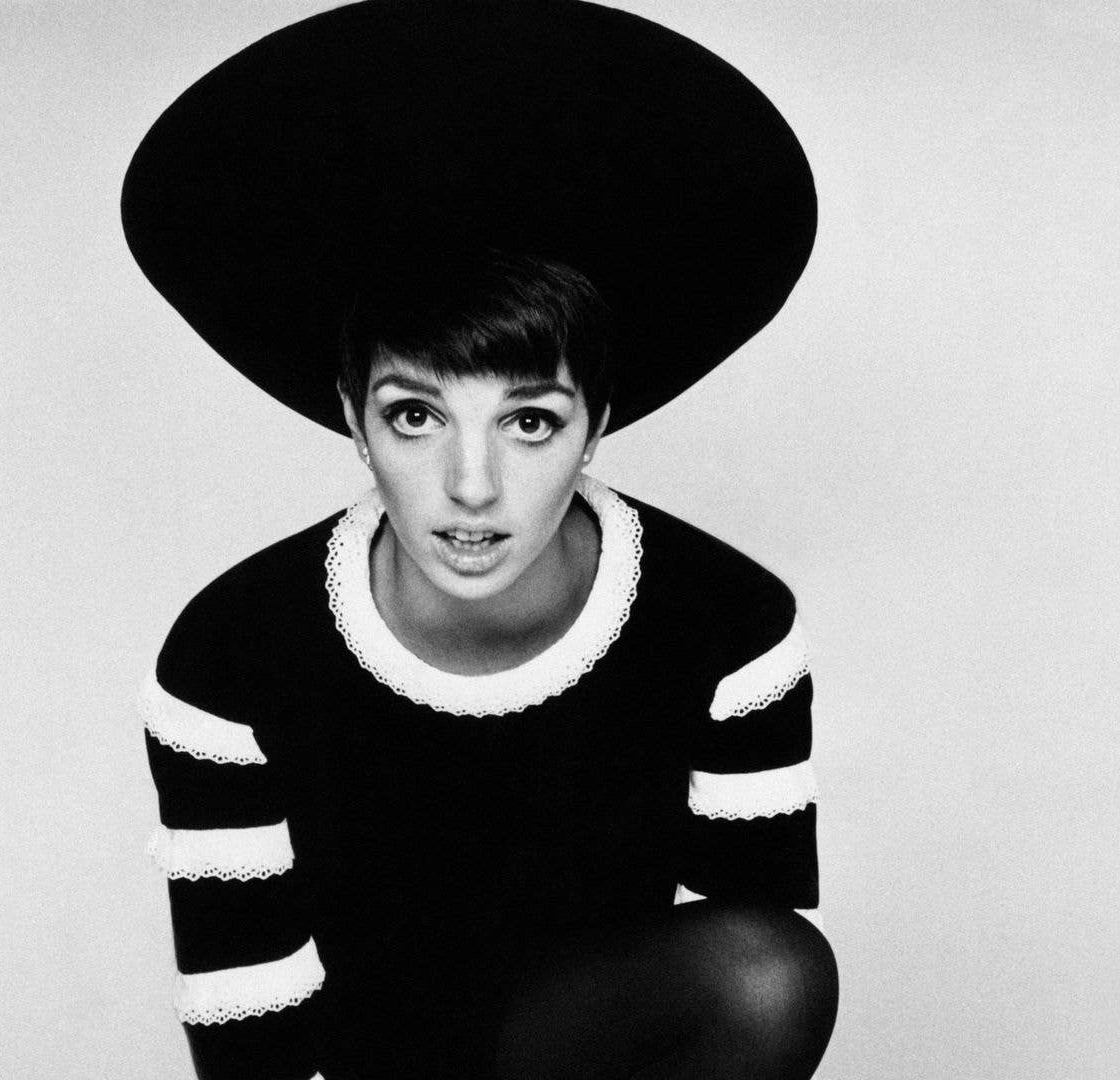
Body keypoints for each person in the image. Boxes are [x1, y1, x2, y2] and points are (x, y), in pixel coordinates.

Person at [123, 3, 837, 1077]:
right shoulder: (232, 655)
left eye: (529, 422)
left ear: (597, 425)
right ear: (354, 419)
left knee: (770, 970)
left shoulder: (727, 625)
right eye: (417, 416)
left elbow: (730, 988)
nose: (471, 485)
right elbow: (250, 1035)